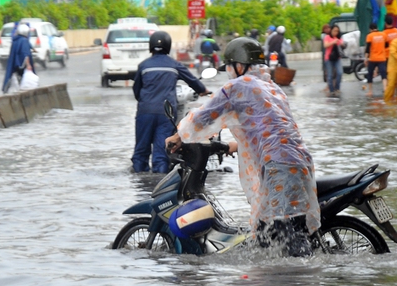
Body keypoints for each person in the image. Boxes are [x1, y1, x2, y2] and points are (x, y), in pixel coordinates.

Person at [165, 37, 321, 257]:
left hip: (278, 167)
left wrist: (178, 136)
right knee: (273, 231)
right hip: (298, 162)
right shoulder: (271, 87)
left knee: (286, 234)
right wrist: (231, 145)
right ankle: (276, 282)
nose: (229, 72)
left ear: (240, 66)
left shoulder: (238, 86)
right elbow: (269, 131)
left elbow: (204, 116)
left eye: (229, 67)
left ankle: (300, 278)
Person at [132, 31, 210, 174]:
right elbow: (192, 80)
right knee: (161, 153)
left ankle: (139, 185)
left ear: (150, 46)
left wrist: (145, 103)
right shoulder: (174, 65)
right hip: (165, 114)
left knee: (141, 152)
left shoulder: (143, 66)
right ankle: (159, 183)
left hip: (145, 112)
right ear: (168, 46)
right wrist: (203, 90)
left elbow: (136, 90)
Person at [2, 23, 35, 94]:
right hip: (21, 66)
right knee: (23, 83)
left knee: (12, 80)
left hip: (14, 65)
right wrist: (28, 64)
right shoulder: (24, 41)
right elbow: (25, 53)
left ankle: (6, 89)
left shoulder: (15, 41)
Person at [364, 23, 388, 98]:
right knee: (383, 74)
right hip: (382, 58)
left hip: (372, 58)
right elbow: (387, 45)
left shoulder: (369, 36)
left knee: (370, 74)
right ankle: (385, 88)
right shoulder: (383, 34)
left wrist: (365, 58)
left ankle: (370, 91)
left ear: (370, 29)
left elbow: (368, 49)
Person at [324, 24, 345, 97]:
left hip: (337, 58)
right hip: (329, 58)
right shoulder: (327, 37)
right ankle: (331, 90)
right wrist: (333, 42)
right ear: (331, 30)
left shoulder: (339, 37)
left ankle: (337, 88)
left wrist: (341, 43)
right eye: (334, 31)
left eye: (337, 31)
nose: (336, 32)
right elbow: (325, 45)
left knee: (340, 72)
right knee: (330, 75)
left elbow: (342, 44)